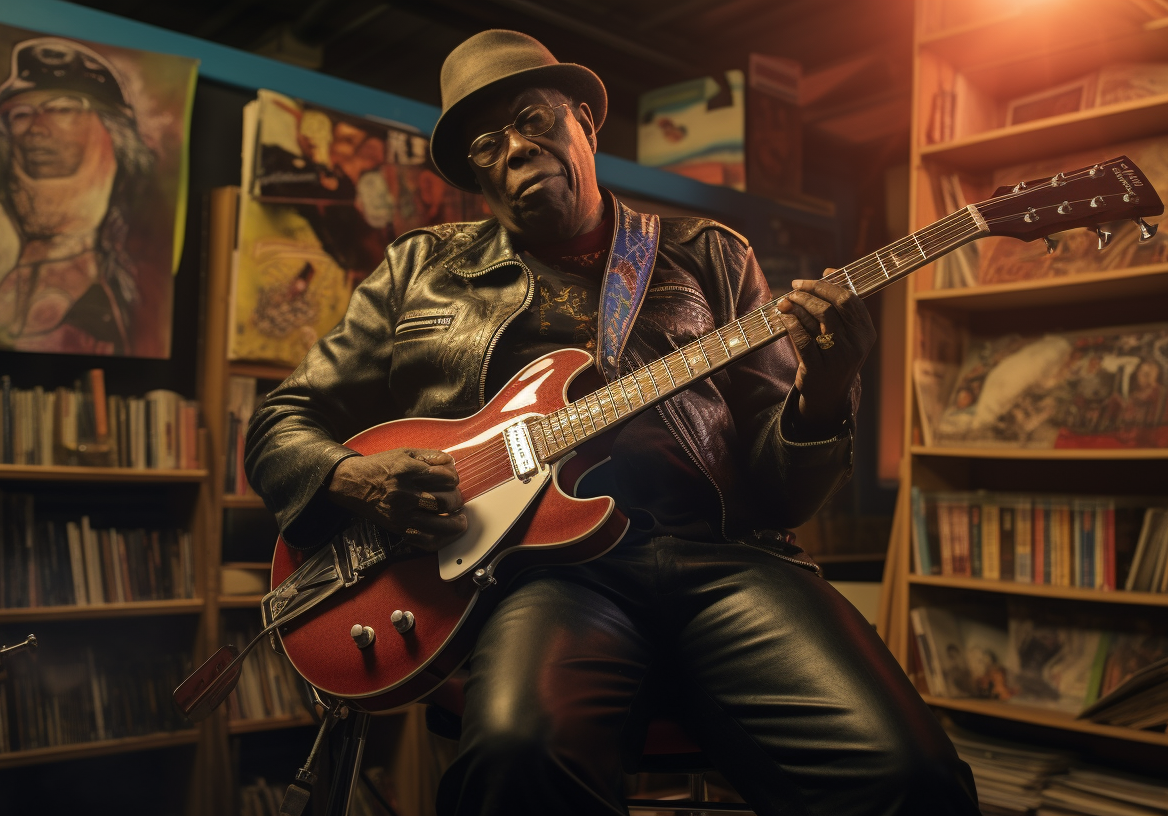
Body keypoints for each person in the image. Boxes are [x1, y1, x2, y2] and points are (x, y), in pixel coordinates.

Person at [246, 30, 980, 816]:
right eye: (488, 145)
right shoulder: (420, 270)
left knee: (914, 778)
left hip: (721, 561)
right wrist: (355, 477)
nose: (517, 150)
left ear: (586, 125)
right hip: (540, 579)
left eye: (534, 119)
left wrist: (825, 394)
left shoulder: (709, 257)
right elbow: (280, 423)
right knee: (517, 764)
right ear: (476, 179)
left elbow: (781, 496)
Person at [0, 38, 154, 354]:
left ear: (111, 130)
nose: (36, 128)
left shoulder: (132, 284)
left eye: (61, 109)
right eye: (20, 114)